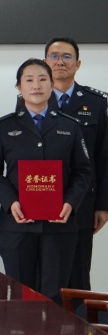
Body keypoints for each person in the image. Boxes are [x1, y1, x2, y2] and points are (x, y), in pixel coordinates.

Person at [0, 59, 91, 303]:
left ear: (52, 84)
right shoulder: (3, 127)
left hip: (59, 225)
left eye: (43, 79)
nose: (36, 85)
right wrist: (10, 201)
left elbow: (84, 171)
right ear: (19, 87)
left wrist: (70, 202)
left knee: (54, 295)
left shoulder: (70, 126)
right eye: (29, 80)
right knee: (20, 294)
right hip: (17, 224)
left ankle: (53, 331)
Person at [42, 36, 108, 292]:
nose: (60, 62)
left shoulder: (97, 102)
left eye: (66, 56)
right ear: (45, 62)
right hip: (42, 198)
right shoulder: (31, 98)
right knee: (45, 276)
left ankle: (78, 319)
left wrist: (103, 205)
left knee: (77, 276)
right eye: (54, 56)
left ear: (78, 64)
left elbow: (104, 156)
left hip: (82, 203)